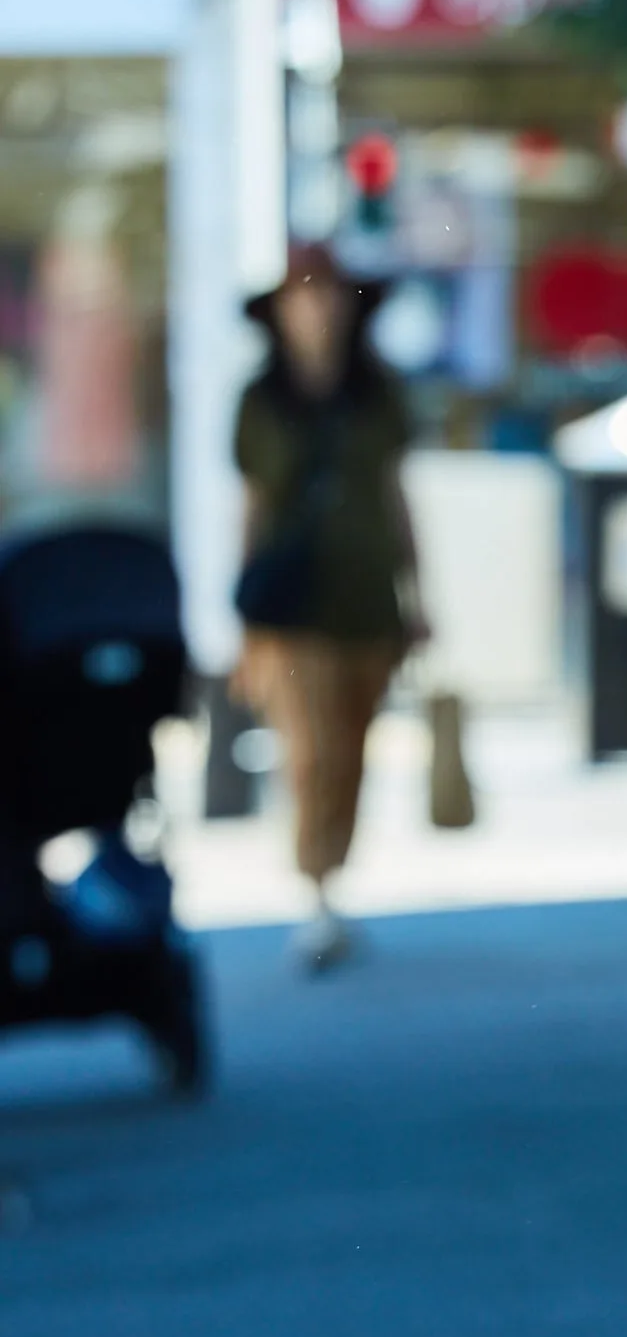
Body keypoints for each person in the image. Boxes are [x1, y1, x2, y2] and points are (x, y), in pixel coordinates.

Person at [233, 242, 424, 969]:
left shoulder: (377, 393)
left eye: (328, 292)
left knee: (349, 750)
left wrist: (417, 593)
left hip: (368, 598)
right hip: (289, 606)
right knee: (309, 751)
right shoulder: (260, 401)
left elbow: (395, 495)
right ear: (279, 310)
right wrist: (242, 609)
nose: (317, 306)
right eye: (302, 294)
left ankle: (330, 882)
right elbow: (249, 504)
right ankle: (313, 893)